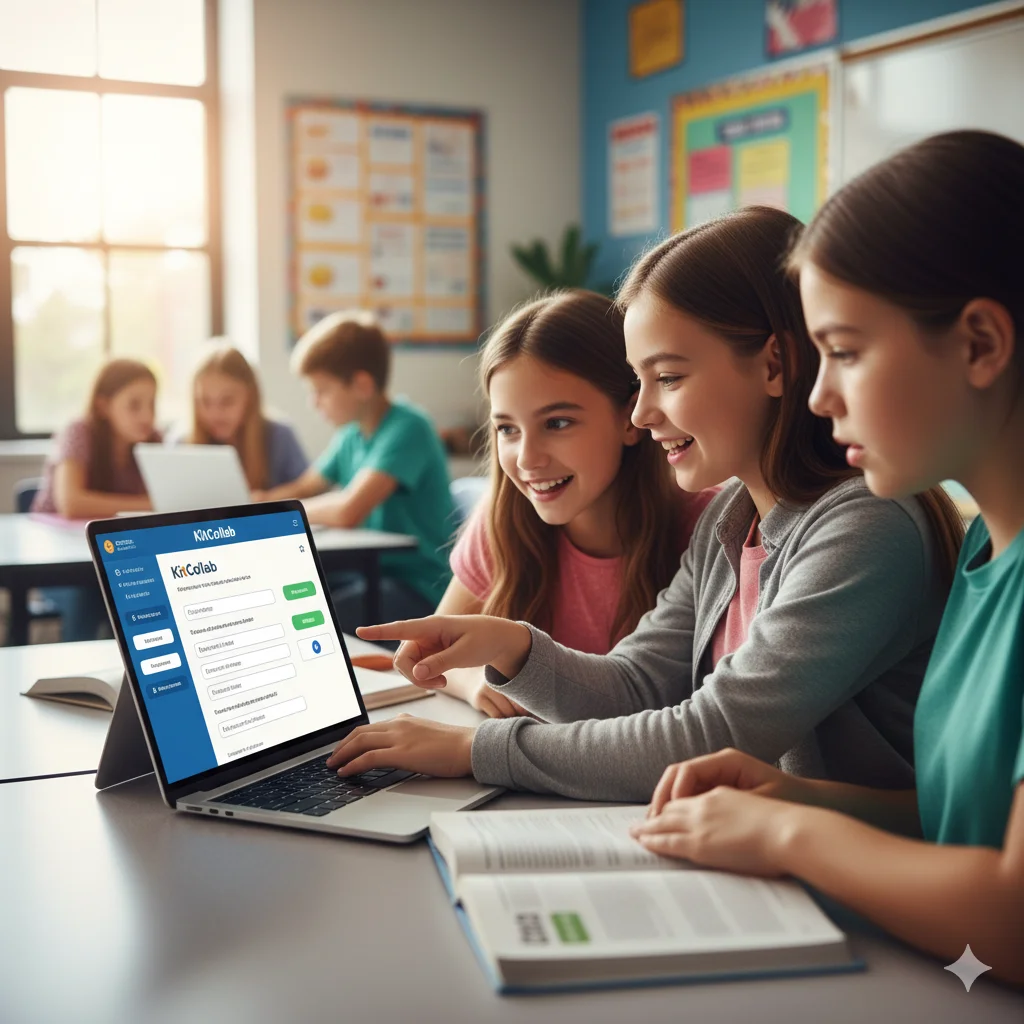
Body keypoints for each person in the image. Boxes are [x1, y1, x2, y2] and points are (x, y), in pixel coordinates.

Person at [327, 206, 962, 802]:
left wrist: (477, 750)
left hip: (851, 880)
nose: (641, 413)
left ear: (775, 364)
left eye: (669, 377)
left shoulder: (863, 525)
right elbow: (635, 686)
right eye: (639, 380)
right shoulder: (732, 515)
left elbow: (709, 733)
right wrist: (512, 644)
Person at [630, 131, 1024, 986]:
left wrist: (789, 835)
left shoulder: (882, 530)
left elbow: (1013, 919)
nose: (816, 394)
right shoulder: (991, 550)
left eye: (844, 351)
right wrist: (798, 797)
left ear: (981, 344)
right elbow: (968, 823)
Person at [437, 290, 717, 718]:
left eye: (558, 423)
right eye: (508, 429)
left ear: (630, 417)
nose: (528, 459)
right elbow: (435, 655)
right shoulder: (503, 518)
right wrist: (476, 679)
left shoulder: (707, 526)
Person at [261, 310, 454, 627]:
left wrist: (283, 510)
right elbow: (306, 487)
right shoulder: (351, 434)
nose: (313, 402)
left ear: (362, 385)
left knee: (307, 618)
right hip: (367, 572)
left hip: (416, 587)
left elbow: (347, 510)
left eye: (321, 390)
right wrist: (260, 501)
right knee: (287, 594)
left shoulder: (409, 428)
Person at [31, 358, 160, 639]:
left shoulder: (153, 442)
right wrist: (149, 503)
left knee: (146, 590)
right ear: (103, 405)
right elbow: (72, 503)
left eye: (152, 404)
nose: (147, 416)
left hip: (112, 560)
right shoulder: (78, 431)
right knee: (91, 594)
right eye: (134, 405)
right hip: (60, 565)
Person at [187, 342, 307, 489]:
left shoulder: (280, 436)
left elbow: (308, 489)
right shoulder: (182, 443)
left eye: (227, 401)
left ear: (250, 398)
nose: (215, 414)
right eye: (205, 402)